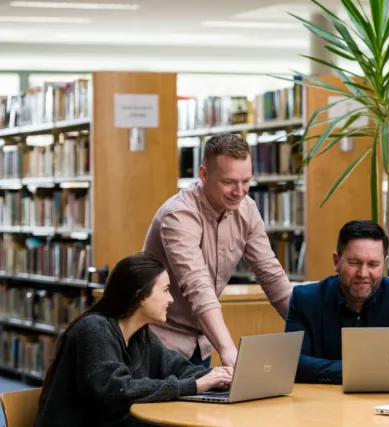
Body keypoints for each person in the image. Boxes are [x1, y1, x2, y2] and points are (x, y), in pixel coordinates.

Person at [142, 133, 293, 369]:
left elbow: (272, 276)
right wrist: (228, 350)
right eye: (229, 182)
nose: (239, 191)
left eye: (246, 181)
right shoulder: (179, 216)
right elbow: (198, 286)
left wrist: (306, 330)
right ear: (203, 175)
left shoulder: (247, 209)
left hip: (201, 341)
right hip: (159, 342)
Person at [34, 253, 234, 427]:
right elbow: (115, 391)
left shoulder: (141, 335)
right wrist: (194, 385)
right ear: (140, 296)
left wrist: (220, 377)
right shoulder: (94, 329)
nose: (171, 299)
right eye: (165, 290)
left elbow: (177, 367)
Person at [284, 220, 389, 385]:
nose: (363, 274)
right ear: (336, 262)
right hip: (324, 403)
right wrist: (355, 370)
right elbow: (293, 363)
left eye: (373, 264)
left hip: (384, 399)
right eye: (354, 263)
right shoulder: (305, 299)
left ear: (384, 264)